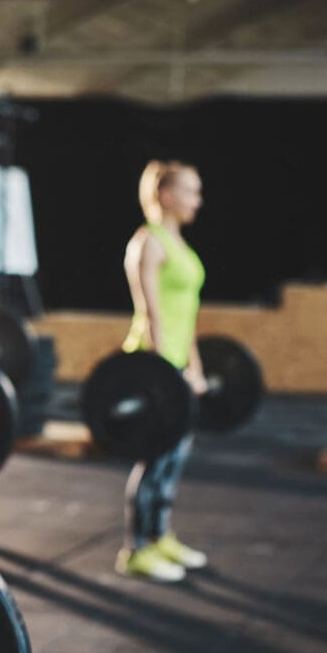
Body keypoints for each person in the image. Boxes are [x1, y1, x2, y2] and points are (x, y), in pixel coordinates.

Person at [117, 160, 210, 583]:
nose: (198, 200)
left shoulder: (180, 245)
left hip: (177, 362)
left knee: (175, 456)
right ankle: (135, 549)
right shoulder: (148, 242)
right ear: (166, 195)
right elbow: (153, 312)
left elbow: (185, 316)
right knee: (154, 457)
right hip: (152, 362)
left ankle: (161, 535)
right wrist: (164, 374)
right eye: (191, 191)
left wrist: (196, 365)